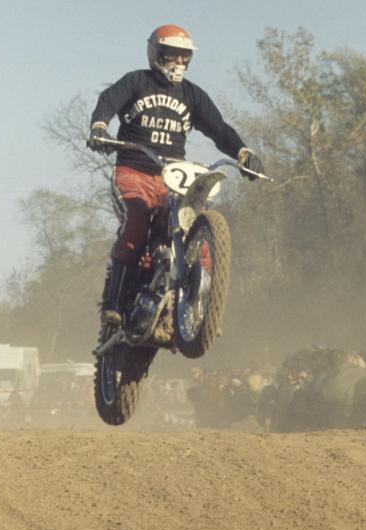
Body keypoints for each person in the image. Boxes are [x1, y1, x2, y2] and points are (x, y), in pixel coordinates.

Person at [86, 24, 265, 325]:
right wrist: (99, 127)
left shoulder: (192, 94)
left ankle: (199, 304)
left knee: (191, 221)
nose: (179, 62)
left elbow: (219, 128)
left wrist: (243, 153)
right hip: (133, 172)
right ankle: (113, 302)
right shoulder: (136, 81)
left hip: (172, 176)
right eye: (172, 55)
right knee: (137, 221)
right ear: (156, 54)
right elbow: (108, 101)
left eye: (185, 57)